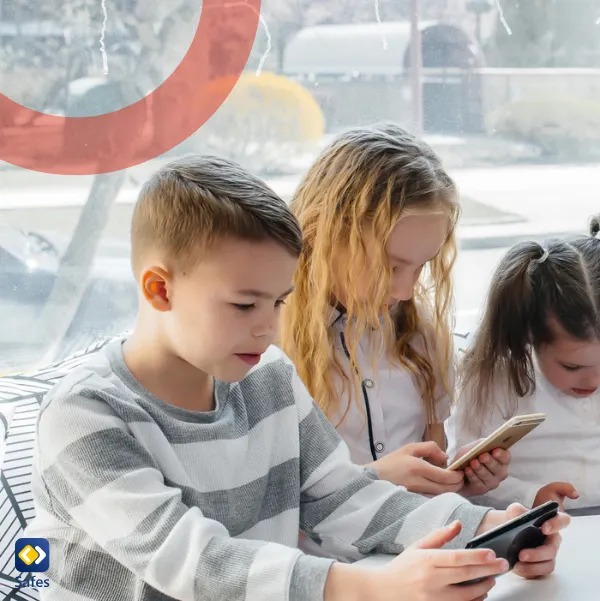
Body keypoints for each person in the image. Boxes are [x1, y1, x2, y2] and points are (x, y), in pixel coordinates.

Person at [25, 155, 567, 601]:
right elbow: (198, 564)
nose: (268, 328)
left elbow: (347, 498)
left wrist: (485, 533)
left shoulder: (270, 378)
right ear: (159, 290)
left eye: (280, 301)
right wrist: (373, 590)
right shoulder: (86, 415)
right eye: (244, 304)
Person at [280, 123, 509, 500]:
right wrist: (375, 478)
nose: (404, 291)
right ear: (324, 231)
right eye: (389, 266)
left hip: (415, 550)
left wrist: (460, 480)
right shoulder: (262, 341)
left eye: (421, 267)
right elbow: (261, 504)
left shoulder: (424, 337)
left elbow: (432, 476)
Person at [448, 214, 600, 511]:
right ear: (529, 336)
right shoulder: (497, 377)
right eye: (572, 367)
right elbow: (464, 473)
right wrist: (530, 495)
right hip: (532, 529)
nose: (594, 381)